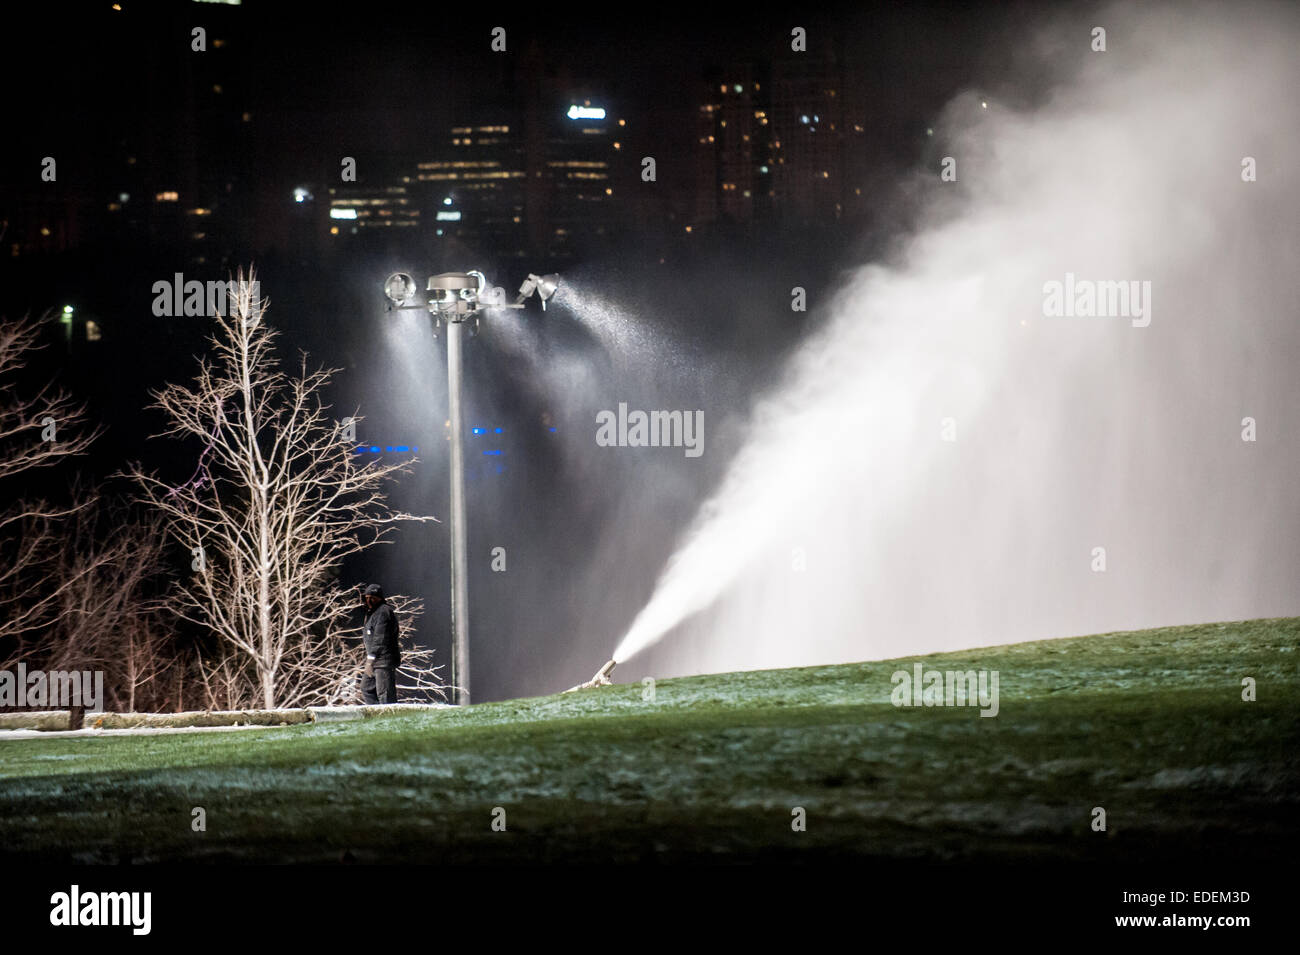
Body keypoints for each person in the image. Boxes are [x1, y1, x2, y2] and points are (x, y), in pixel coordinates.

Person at [359, 583, 401, 704]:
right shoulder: (373, 613)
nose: (369, 600)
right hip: (375, 661)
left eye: (372, 597)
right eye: (366, 598)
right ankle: (377, 716)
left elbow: (380, 638)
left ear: (379, 598)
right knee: (366, 688)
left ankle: (389, 719)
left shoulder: (383, 612)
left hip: (383, 661)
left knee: (385, 694)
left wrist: (370, 659)